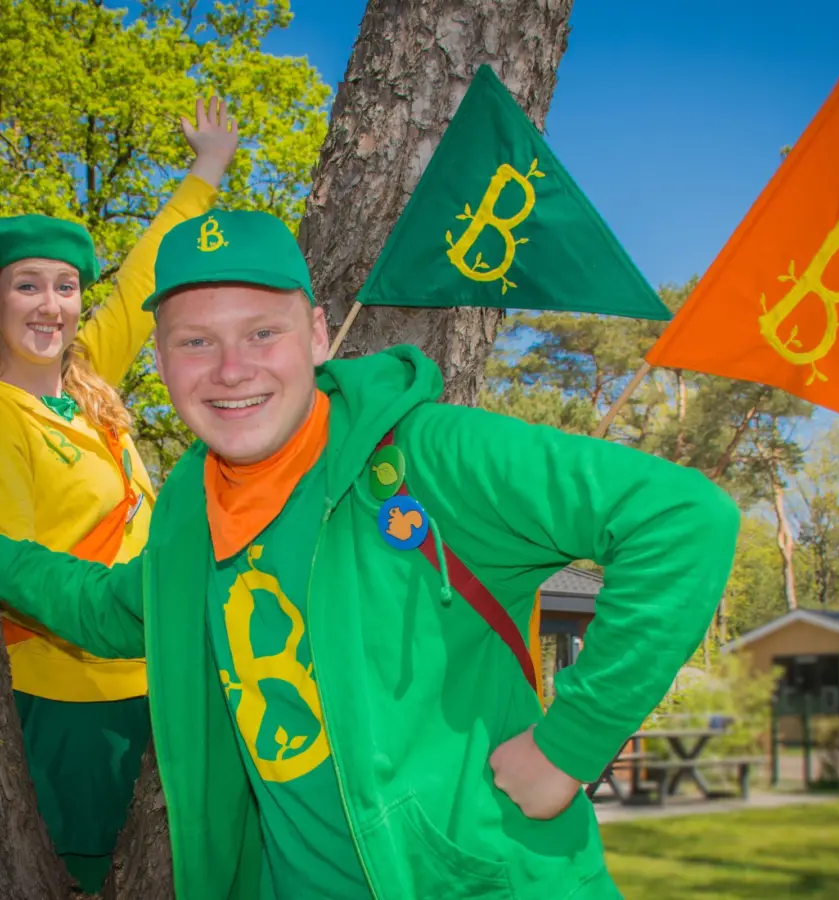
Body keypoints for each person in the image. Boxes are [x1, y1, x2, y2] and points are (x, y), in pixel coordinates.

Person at [0, 207, 741, 899]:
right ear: (160, 358)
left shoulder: (430, 454)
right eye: (196, 341)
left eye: (263, 333)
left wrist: (570, 745)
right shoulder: (191, 512)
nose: (231, 369)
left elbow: (683, 519)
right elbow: (109, 610)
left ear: (319, 336)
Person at [0, 99, 238, 892]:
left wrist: (206, 169)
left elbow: (143, 282)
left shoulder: (85, 377)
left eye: (66, 287)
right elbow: (18, 572)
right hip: (67, 695)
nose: (51, 305)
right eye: (26, 285)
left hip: (152, 675)